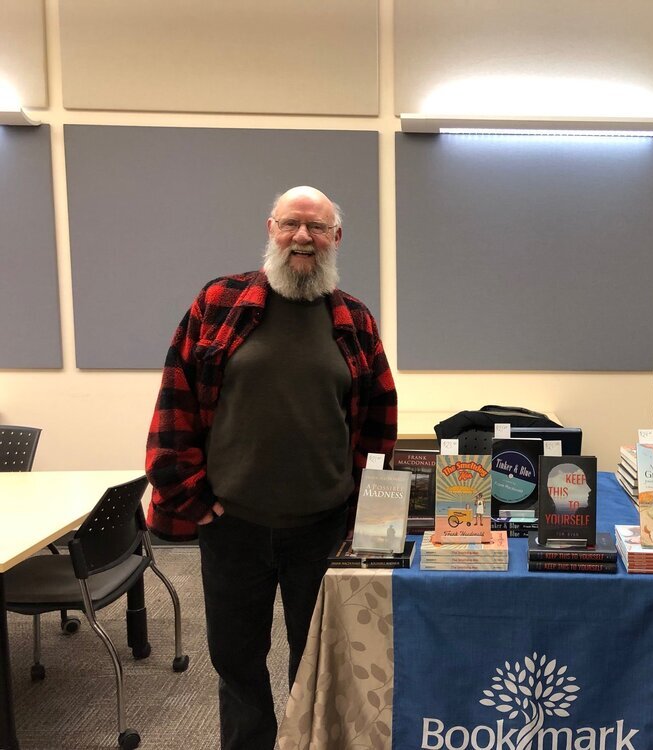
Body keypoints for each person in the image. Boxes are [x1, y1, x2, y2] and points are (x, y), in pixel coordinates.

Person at [145, 185, 397, 750]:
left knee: (316, 666)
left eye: (316, 227)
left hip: (324, 530)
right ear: (271, 229)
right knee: (237, 665)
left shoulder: (354, 319)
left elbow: (380, 421)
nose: (302, 237)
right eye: (291, 224)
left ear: (336, 237)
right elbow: (175, 402)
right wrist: (187, 496)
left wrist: (368, 513)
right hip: (233, 525)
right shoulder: (218, 303)